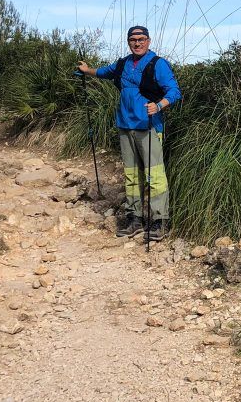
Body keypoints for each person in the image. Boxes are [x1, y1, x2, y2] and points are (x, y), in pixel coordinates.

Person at [77, 26, 181, 242]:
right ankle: (134, 218)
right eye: (133, 39)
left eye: (141, 39)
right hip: (125, 126)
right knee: (131, 175)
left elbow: (174, 91)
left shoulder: (157, 64)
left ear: (148, 41)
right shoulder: (123, 63)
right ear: (128, 42)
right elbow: (105, 72)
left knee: (155, 176)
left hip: (149, 126)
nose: (137, 43)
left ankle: (159, 221)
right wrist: (88, 71)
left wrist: (159, 105)